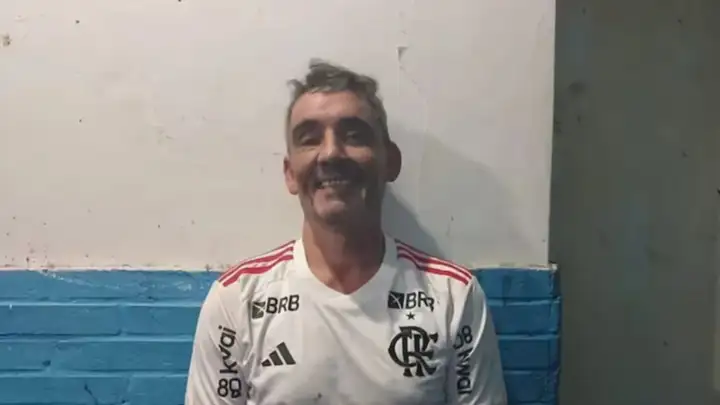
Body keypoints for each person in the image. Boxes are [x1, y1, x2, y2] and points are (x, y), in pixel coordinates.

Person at [185, 59, 508, 405]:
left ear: (391, 162)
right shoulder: (237, 301)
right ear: (290, 173)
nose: (331, 153)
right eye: (310, 139)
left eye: (354, 136)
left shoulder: (454, 298)